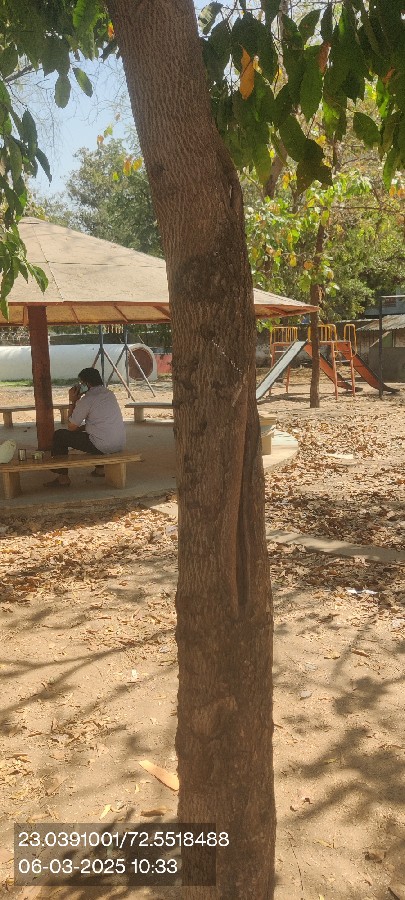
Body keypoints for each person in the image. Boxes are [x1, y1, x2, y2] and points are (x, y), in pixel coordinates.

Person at [45, 367, 125, 487]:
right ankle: (100, 469)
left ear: (86, 384)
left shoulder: (87, 399)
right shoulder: (109, 394)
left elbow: (71, 427)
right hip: (119, 443)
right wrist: (81, 428)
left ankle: (62, 477)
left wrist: (72, 401)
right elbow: (98, 422)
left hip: (102, 445)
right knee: (93, 434)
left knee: (60, 435)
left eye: (81, 383)